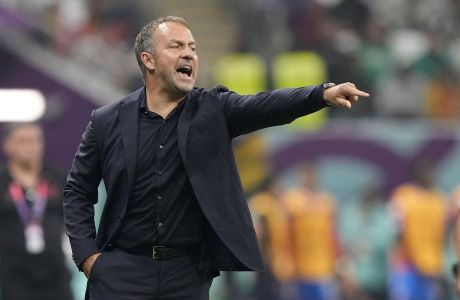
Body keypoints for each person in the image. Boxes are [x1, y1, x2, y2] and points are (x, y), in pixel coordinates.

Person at [63, 16, 369, 300]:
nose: (189, 54)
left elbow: (265, 104)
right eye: (177, 46)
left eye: (193, 48)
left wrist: (320, 94)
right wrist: (89, 257)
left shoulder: (214, 110)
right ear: (148, 59)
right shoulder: (107, 121)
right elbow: (77, 190)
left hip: (186, 276)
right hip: (121, 272)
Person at [0, 123, 73, 300]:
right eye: (23, 141)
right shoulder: (2, 181)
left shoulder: (58, 178)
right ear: (7, 145)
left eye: (35, 140)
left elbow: (74, 219)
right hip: (13, 277)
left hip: (56, 274)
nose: (30, 146)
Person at [387, 159, 447, 300]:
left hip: (431, 265)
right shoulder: (403, 196)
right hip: (407, 264)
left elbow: (442, 232)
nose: (429, 175)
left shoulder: (437, 198)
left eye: (430, 171)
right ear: (415, 174)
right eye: (424, 171)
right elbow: (396, 230)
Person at [281, 162, 341, 300]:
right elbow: (285, 235)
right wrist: (286, 262)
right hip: (299, 270)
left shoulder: (328, 202)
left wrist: (338, 259)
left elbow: (333, 235)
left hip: (324, 269)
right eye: (306, 174)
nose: (309, 178)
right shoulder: (291, 200)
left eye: (312, 174)